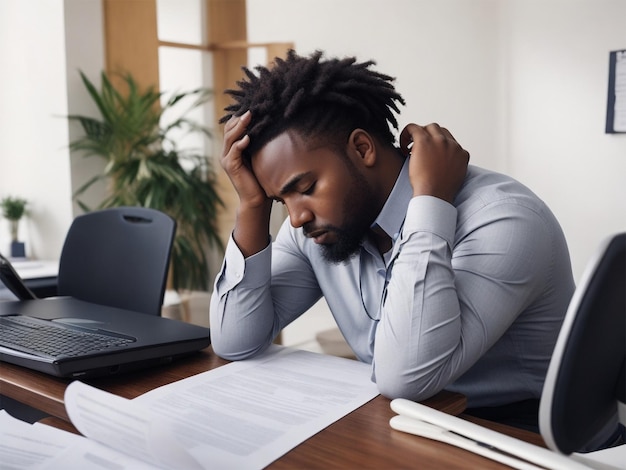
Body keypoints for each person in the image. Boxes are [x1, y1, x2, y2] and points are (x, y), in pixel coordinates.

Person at [210, 49, 575, 430]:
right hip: (408, 427)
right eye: (279, 200)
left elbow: (406, 378)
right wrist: (252, 205)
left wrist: (430, 202)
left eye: (305, 187)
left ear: (362, 148)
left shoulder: (504, 218)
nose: (296, 216)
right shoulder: (319, 228)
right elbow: (236, 341)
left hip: (527, 438)